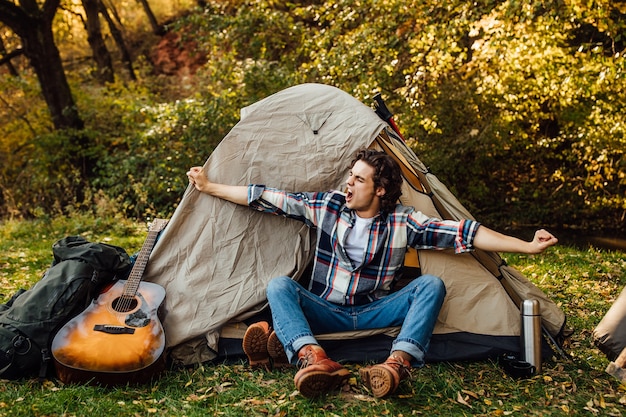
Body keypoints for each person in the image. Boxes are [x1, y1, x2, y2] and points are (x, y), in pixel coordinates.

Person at [186, 149, 558, 399]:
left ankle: (397, 365)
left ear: (380, 190)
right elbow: (266, 197)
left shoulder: (403, 221)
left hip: (373, 309)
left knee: (431, 284)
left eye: (359, 180)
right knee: (280, 286)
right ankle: (315, 359)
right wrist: (208, 186)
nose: (348, 184)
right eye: (350, 177)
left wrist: (526, 246)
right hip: (325, 309)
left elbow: (466, 233)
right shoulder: (328, 206)